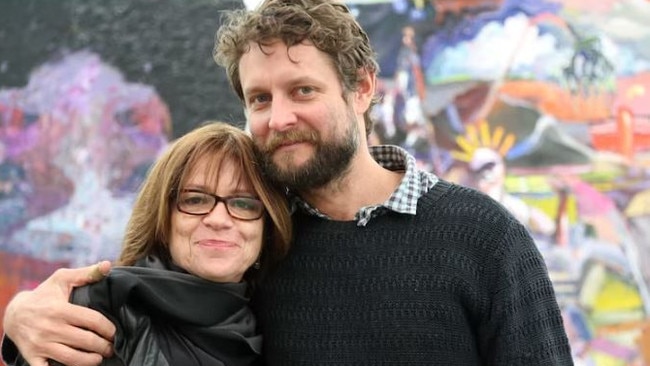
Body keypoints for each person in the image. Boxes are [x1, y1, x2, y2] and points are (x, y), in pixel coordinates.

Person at [3, 0, 573, 364]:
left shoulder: (481, 237)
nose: (278, 118)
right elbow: (141, 296)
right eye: (259, 98)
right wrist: (22, 320)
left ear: (362, 88)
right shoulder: (252, 238)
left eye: (302, 90)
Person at [2, 121, 292, 366]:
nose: (219, 219)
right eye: (195, 199)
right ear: (163, 221)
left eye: (243, 203)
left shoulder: (280, 321)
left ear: (267, 225)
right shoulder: (101, 308)